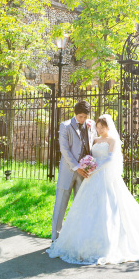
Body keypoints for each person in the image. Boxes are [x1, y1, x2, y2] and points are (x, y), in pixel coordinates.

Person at [47, 114, 139, 265]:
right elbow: (90, 155)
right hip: (91, 177)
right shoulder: (95, 140)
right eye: (98, 127)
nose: (100, 130)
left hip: (105, 175)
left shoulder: (112, 140)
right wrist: (88, 165)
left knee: (108, 205)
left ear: (108, 127)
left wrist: (95, 168)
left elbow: (110, 158)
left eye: (102, 127)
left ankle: (108, 242)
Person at [51, 100, 96, 242]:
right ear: (75, 114)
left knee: (80, 204)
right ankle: (55, 237)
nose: (83, 119)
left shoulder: (91, 125)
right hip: (68, 170)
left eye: (85, 117)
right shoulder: (65, 126)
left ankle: (77, 237)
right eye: (80, 116)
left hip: (85, 172)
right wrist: (77, 167)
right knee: (61, 204)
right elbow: (64, 149)